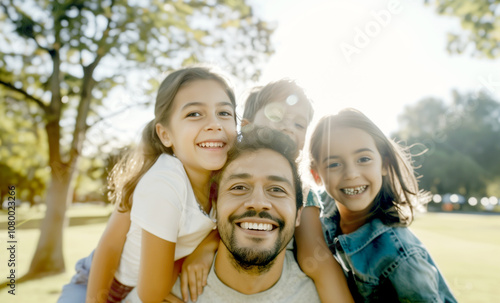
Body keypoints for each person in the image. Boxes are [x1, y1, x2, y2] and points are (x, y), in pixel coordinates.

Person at [57, 66, 237, 303]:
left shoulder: (228, 178)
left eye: (224, 113)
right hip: (101, 284)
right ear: (165, 135)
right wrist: (186, 260)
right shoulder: (164, 181)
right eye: (194, 114)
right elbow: (147, 289)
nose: (214, 124)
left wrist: (206, 246)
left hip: (135, 286)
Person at [126, 127, 321, 303]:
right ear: (215, 208)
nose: (259, 203)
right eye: (239, 187)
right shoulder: (165, 292)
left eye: (277, 189)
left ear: (298, 214)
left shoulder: (318, 296)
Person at [308, 108, 458, 302]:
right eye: (334, 164)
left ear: (385, 164)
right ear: (317, 175)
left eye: (363, 159)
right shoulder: (320, 224)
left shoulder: (400, 256)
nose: (351, 174)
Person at [240, 79, 353, 303]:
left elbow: (315, 255)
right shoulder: (220, 176)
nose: (288, 127)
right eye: (276, 116)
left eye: (299, 125)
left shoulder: (302, 190)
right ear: (246, 125)